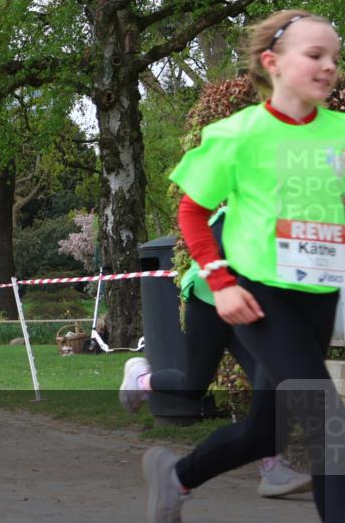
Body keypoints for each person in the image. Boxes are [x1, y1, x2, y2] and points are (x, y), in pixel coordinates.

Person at [143, 10, 344, 523]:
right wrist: (221, 281)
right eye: (315, 55)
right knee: (327, 423)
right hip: (258, 297)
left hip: (318, 296)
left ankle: (177, 476)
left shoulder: (341, 134)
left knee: (266, 431)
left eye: (334, 57)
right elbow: (192, 212)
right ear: (272, 63)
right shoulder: (237, 134)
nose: (329, 67)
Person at [120, 210, 312, 499]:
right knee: (193, 386)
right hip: (210, 298)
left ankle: (272, 466)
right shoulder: (251, 204)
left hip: (249, 304)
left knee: (270, 378)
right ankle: (141, 379)